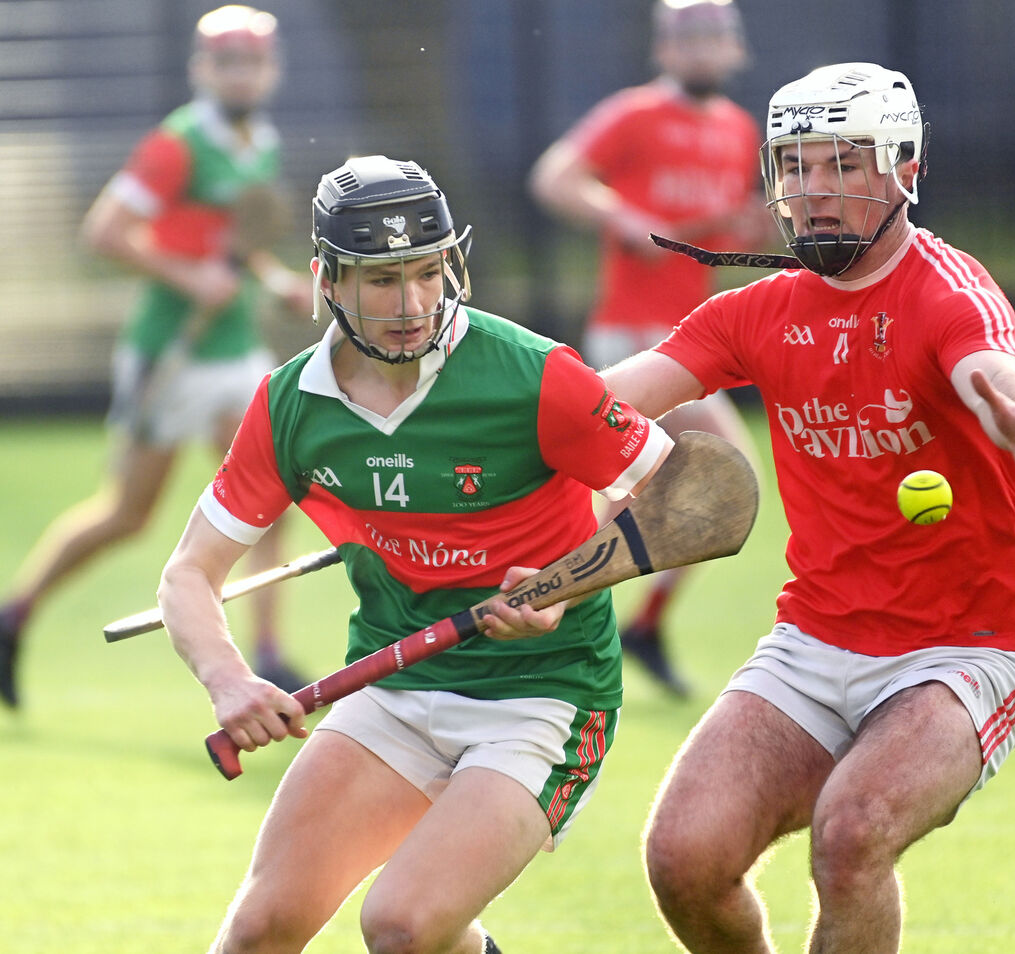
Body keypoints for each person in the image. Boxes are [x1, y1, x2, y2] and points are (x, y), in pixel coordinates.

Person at [157, 154, 673, 954]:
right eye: (384, 280)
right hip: (395, 686)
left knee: (399, 924)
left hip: (543, 697)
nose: (414, 304)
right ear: (328, 279)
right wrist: (228, 680)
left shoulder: (533, 375)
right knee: (256, 934)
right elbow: (189, 572)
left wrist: (573, 582)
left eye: (429, 273)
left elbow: (692, 493)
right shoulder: (291, 405)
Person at [600, 63, 1015, 953]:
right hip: (815, 644)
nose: (813, 192)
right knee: (684, 858)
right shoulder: (758, 310)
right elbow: (606, 399)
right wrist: (492, 427)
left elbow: (986, 362)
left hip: (963, 652)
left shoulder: (946, 289)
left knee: (852, 838)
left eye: (844, 165)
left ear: (906, 170)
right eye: (795, 167)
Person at [0, 5, 313, 706]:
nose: (242, 74)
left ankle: (266, 653)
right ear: (202, 69)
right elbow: (105, 232)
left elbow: (235, 241)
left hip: (233, 347)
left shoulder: (258, 140)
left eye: (253, 61)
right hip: (171, 351)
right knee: (128, 515)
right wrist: (189, 276)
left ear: (273, 68)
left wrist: (274, 280)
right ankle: (15, 615)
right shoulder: (177, 144)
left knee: (271, 492)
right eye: (227, 62)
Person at [528, 0, 770, 697]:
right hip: (633, 337)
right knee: (707, 480)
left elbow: (709, 244)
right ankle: (563, 612)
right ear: (665, 49)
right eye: (688, 37)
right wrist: (621, 215)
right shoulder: (635, 114)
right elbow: (554, 176)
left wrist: (745, 232)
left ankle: (592, 616)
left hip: (691, 340)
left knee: (684, 485)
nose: (702, 51)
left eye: (715, 37)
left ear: (734, 50)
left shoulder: (735, 128)